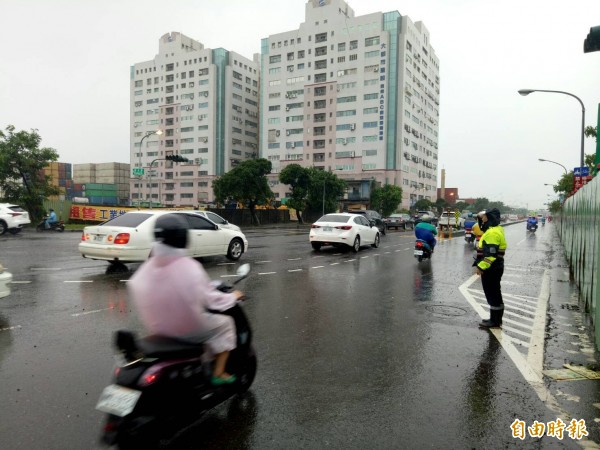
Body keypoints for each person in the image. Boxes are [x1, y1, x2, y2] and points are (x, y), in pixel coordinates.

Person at [127, 213, 245, 385]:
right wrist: (232, 297)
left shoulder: (146, 268)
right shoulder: (188, 267)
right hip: (189, 330)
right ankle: (218, 373)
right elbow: (211, 300)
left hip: (159, 330)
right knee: (226, 324)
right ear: (183, 237)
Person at [473, 208, 507, 328]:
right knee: (495, 293)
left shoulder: (492, 233)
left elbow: (490, 255)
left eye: (484, 217)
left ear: (490, 218)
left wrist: (481, 267)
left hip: (491, 268)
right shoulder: (496, 229)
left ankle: (495, 321)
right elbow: (481, 223)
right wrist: (481, 215)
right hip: (496, 266)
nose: (482, 219)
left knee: (492, 294)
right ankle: (496, 319)